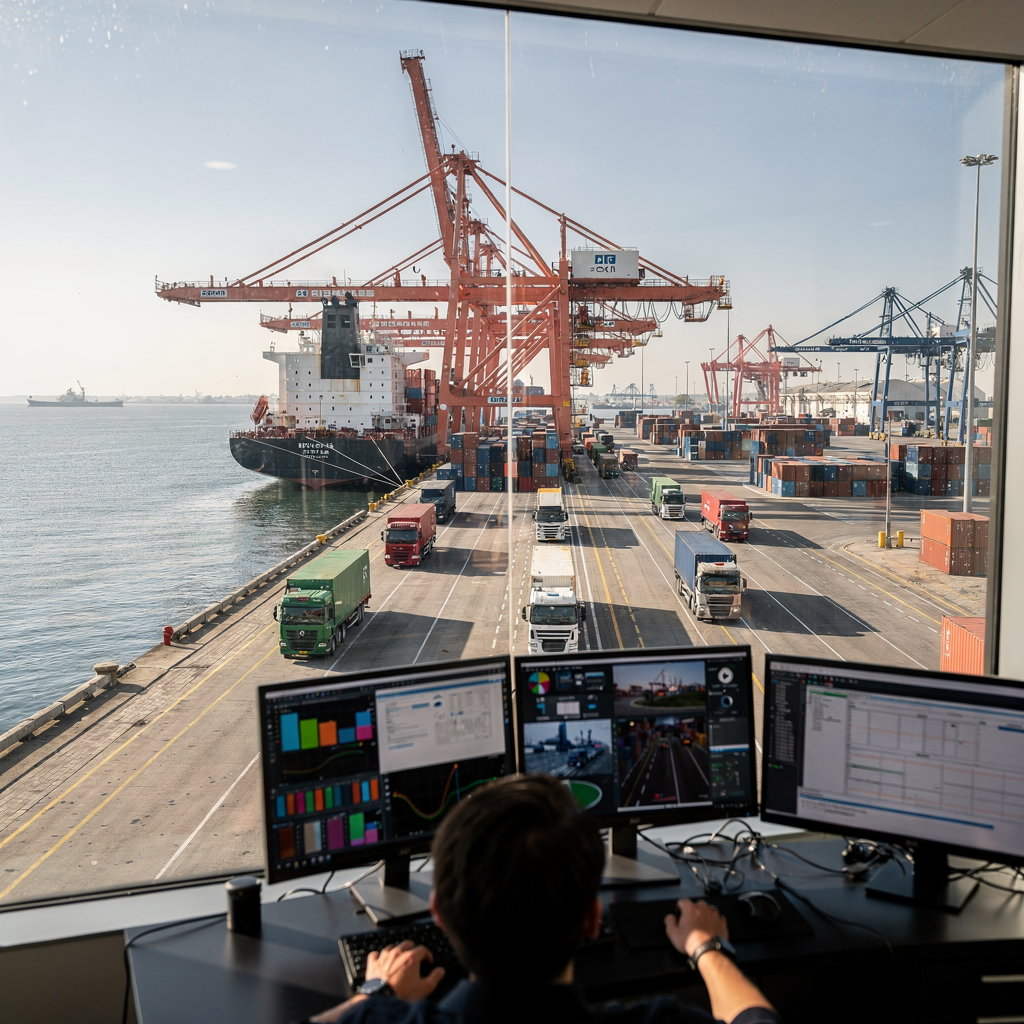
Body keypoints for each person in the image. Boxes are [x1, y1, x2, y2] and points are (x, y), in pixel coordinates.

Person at [309, 775, 779, 1024]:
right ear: (592, 918)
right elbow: (756, 1018)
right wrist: (707, 949)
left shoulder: (377, 1018)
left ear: (440, 914)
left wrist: (375, 993)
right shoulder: (665, 1019)